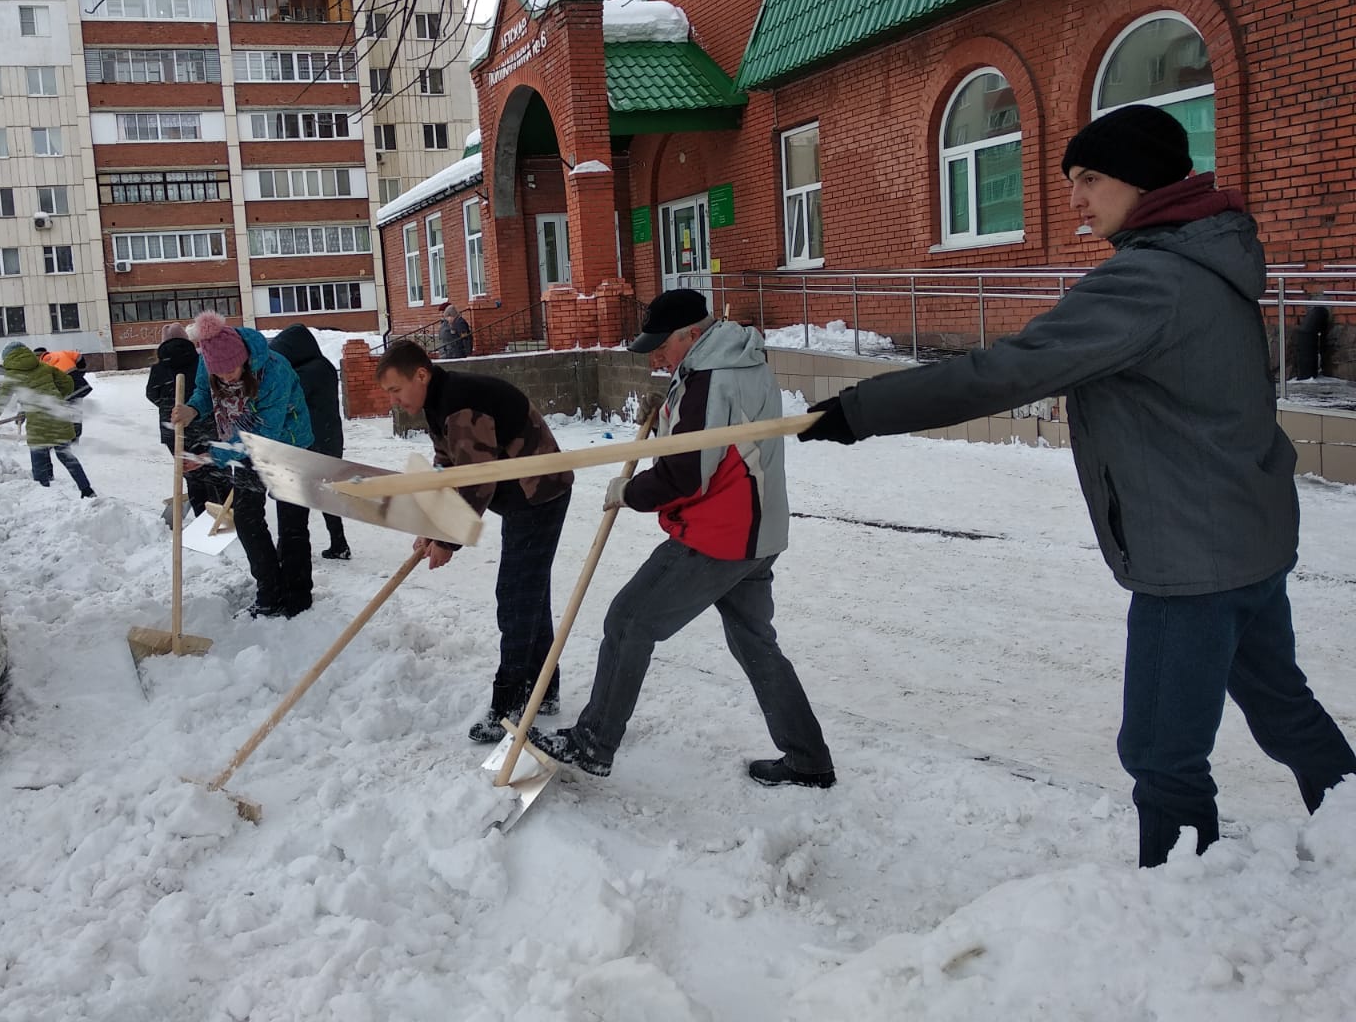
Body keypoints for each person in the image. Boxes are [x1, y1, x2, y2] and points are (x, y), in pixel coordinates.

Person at [800, 104, 1356, 866]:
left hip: (1190, 560)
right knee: (1281, 706)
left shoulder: (1150, 279)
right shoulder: (1213, 260)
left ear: (1142, 179)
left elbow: (1011, 368)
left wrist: (864, 409)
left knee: (1161, 751)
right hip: (1248, 540)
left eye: (1090, 179)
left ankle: (1180, 901)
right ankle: (1346, 824)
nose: (1075, 200)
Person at [529, 290, 835, 787]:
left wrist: (629, 491)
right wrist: (670, 407)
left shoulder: (711, 378)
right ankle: (809, 758)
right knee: (756, 643)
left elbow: (688, 473)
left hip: (720, 534)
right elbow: (716, 429)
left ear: (693, 333)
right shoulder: (734, 359)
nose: (656, 356)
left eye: (662, 345)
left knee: (629, 621)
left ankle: (593, 742)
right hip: (758, 532)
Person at [375, 340, 572, 742]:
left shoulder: (461, 404)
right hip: (520, 494)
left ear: (421, 375)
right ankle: (542, 691)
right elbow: (448, 468)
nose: (394, 401)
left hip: (539, 493)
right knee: (530, 594)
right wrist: (433, 526)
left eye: (396, 390)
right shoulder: (440, 402)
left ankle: (511, 705)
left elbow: (477, 479)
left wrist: (448, 539)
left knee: (517, 595)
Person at [171, 311, 315, 618]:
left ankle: (298, 598)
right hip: (241, 443)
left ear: (245, 359)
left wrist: (211, 457)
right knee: (248, 519)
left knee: (292, 524)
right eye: (219, 375)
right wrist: (192, 410)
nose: (226, 379)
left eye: (231, 372)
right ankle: (269, 592)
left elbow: (264, 432)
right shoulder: (207, 361)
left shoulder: (275, 370)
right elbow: (203, 393)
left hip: (288, 444)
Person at [269, 325, 351, 560]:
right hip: (329, 436)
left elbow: (287, 402)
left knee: (291, 494)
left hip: (311, 440)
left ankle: (287, 545)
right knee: (326, 492)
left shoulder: (306, 374)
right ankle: (339, 542)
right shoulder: (323, 366)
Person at [0, 341, 95, 497]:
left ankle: (44, 496)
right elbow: (67, 383)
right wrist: (55, 399)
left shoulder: (13, 376)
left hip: (39, 427)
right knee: (66, 455)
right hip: (59, 419)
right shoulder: (44, 367)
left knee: (39, 463)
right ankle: (86, 490)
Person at [145, 322, 218, 521]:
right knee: (212, 470)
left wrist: (169, 405)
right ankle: (219, 515)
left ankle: (202, 516)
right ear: (186, 339)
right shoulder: (200, 360)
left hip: (174, 428)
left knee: (191, 475)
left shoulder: (160, 366)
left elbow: (151, 394)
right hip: (203, 424)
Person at [41, 348, 92, 439]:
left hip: (65, 390)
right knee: (76, 411)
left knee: (62, 414)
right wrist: (80, 372)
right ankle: (76, 436)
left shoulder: (41, 365)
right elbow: (78, 356)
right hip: (79, 386)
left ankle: (63, 438)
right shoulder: (62, 353)